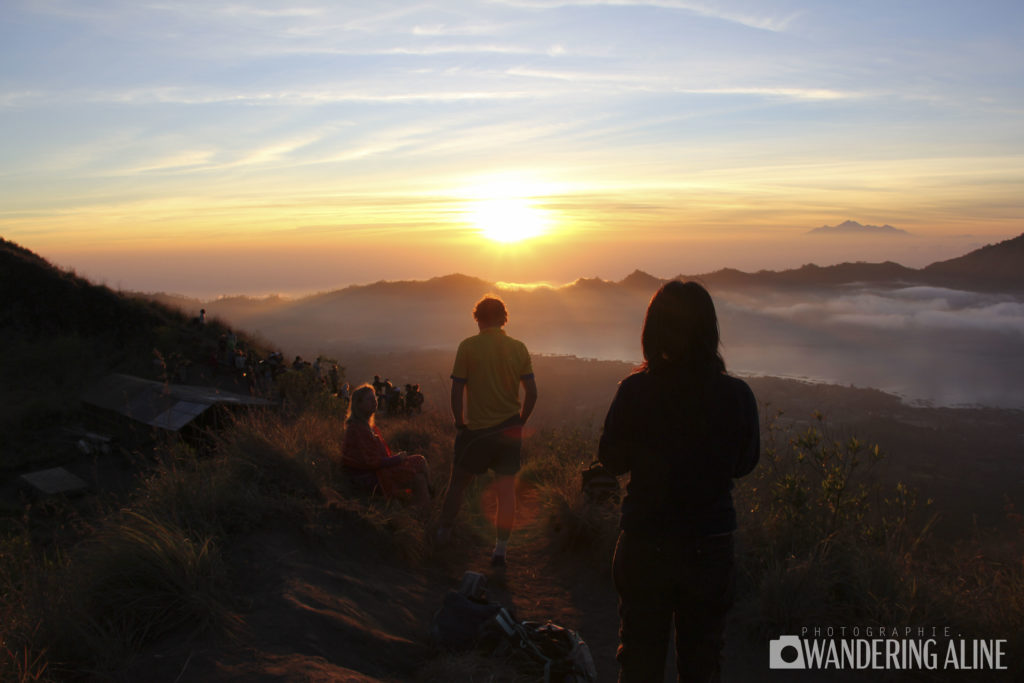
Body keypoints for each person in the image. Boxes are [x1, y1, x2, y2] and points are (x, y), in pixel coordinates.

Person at [598, 281, 759, 683]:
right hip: (710, 545)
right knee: (702, 663)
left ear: (653, 329)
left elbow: (611, 461)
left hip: (644, 541)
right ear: (709, 331)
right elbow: (743, 464)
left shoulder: (635, 391)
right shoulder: (737, 396)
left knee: (639, 659)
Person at [437, 295, 538, 567]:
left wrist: (460, 422)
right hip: (509, 430)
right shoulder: (518, 348)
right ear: (504, 319)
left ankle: (442, 535)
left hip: (477, 431)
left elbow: (458, 389)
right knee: (506, 491)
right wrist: (520, 421)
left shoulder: (468, 347)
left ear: (477, 318)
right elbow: (532, 392)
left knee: (457, 484)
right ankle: (500, 551)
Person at [341, 384, 431, 513]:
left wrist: (396, 459)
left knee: (419, 470)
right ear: (358, 404)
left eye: (375, 399)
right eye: (370, 399)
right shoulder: (356, 429)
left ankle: (420, 509)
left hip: (377, 471)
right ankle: (423, 509)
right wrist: (397, 459)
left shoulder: (368, 427)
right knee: (419, 468)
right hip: (369, 476)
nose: (375, 402)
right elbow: (370, 462)